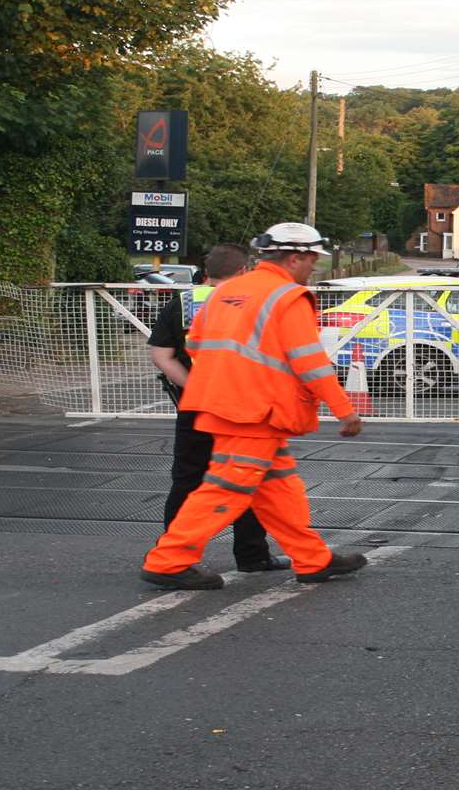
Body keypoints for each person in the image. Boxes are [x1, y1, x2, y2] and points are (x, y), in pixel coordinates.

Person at [140, 223, 368, 590]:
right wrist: (344, 409)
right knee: (224, 488)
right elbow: (310, 361)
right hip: (256, 412)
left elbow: (196, 344)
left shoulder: (225, 293)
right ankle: (169, 560)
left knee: (279, 486)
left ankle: (313, 559)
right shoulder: (287, 297)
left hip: (224, 406)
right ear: (295, 258)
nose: (313, 267)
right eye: (312, 259)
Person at [146, 243, 289, 572]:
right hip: (245, 407)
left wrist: (196, 387)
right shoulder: (255, 302)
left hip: (195, 405)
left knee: (187, 481)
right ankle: (252, 555)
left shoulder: (182, 302)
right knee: (249, 478)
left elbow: (161, 354)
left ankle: (175, 554)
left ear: (206, 273)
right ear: (243, 271)